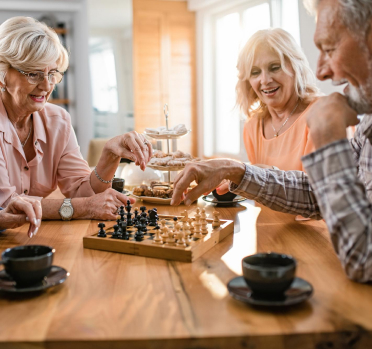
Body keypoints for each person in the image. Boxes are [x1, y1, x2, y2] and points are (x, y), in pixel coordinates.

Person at [172, 0, 372, 283]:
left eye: (330, 48)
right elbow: (316, 193)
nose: (323, 71)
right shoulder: (368, 125)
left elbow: (364, 259)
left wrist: (328, 138)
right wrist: (235, 170)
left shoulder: (326, 116)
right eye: (255, 72)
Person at [0, 17, 152, 222]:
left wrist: (109, 155)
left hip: (40, 237)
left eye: (52, 73)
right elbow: (7, 205)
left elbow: (84, 192)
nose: (46, 86)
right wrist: (83, 208)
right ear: (3, 73)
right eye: (33, 74)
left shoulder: (57, 120)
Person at [237, 28, 320, 171]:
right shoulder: (253, 126)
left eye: (275, 67)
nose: (265, 80)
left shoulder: (322, 113)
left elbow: (320, 189)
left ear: (296, 67)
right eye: (255, 72)